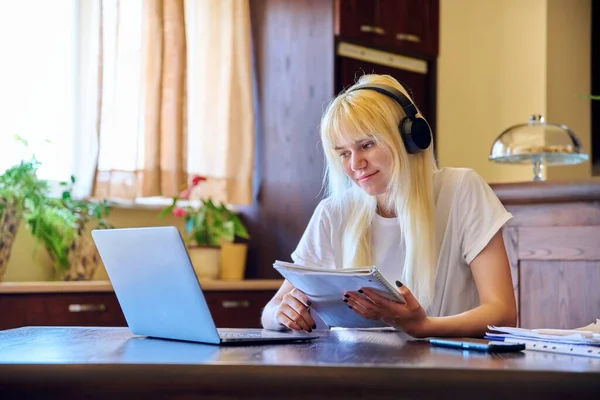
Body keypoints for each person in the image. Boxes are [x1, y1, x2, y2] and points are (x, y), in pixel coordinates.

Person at [260, 74, 517, 338]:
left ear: (410, 138)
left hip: (444, 369)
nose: (355, 164)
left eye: (367, 145)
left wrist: (424, 327)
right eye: (344, 153)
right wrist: (283, 314)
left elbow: (502, 311)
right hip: (355, 370)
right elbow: (271, 310)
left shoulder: (462, 189)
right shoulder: (333, 212)